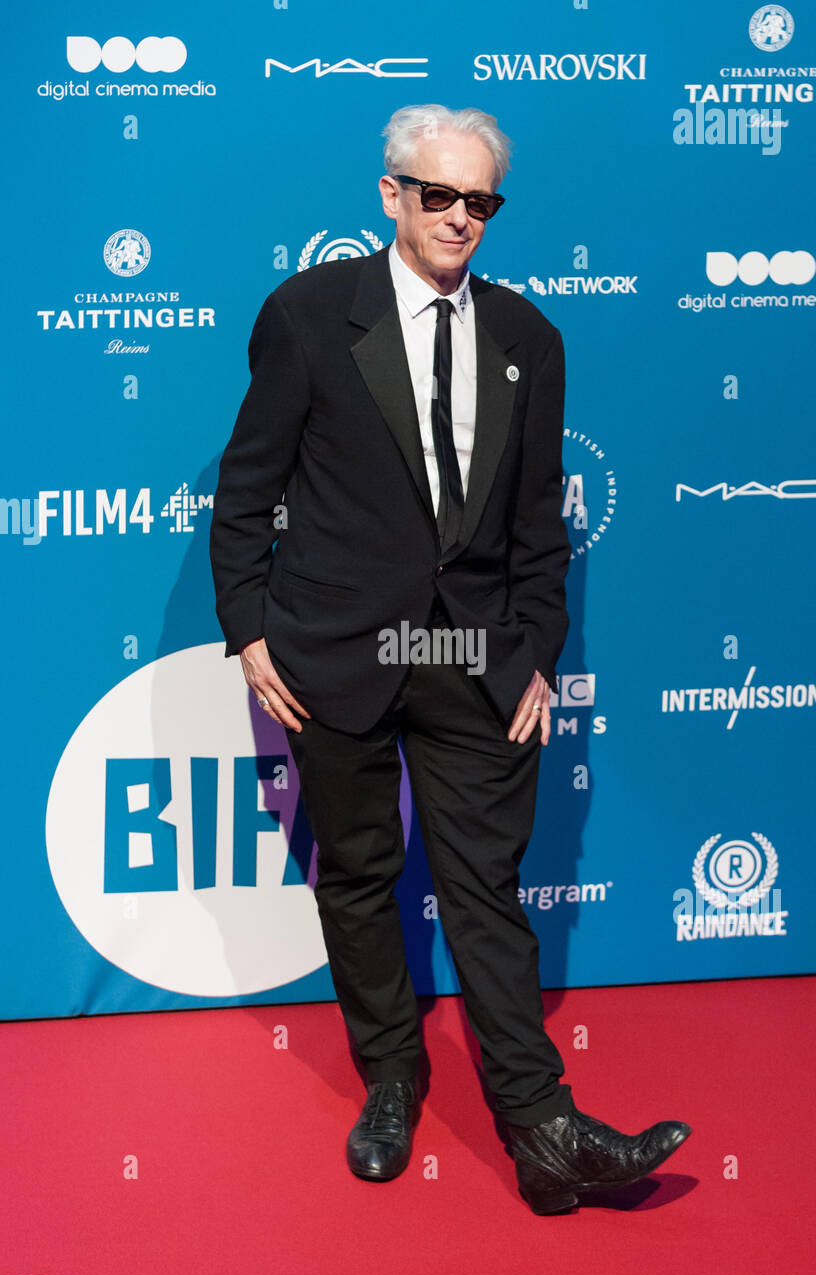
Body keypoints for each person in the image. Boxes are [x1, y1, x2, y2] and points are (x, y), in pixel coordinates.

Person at [209, 103, 691, 1215]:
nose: (462, 218)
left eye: (482, 201)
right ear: (391, 195)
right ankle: (391, 1076)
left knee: (486, 890)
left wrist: (534, 653)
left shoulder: (530, 338)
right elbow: (246, 493)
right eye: (440, 196)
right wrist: (248, 630)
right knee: (363, 878)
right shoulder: (309, 315)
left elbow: (536, 525)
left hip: (476, 658)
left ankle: (541, 1126)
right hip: (335, 654)